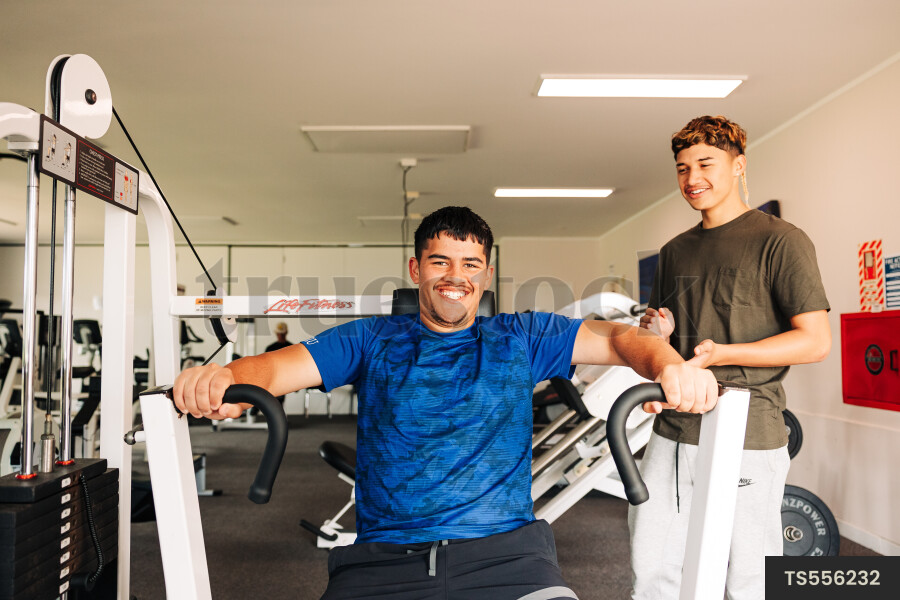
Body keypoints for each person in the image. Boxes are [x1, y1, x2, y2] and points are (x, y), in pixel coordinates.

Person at [175, 206, 719, 600]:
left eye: (470, 264)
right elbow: (276, 368)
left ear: (485, 274)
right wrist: (226, 381)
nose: (455, 277)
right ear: (417, 271)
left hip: (509, 558)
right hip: (383, 563)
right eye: (440, 262)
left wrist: (668, 365)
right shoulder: (370, 339)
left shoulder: (522, 337)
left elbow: (621, 337)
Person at [631, 115, 831, 600]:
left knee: (749, 576)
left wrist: (723, 353)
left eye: (706, 164)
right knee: (652, 565)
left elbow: (815, 341)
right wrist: (659, 336)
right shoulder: (674, 251)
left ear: (739, 165)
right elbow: (665, 343)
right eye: (683, 168)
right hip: (675, 424)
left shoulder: (780, 241)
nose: (692, 178)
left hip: (748, 427)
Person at [264, 322, 292, 405]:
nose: (281, 336)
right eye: (280, 334)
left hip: (285, 379)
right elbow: (265, 366)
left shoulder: (291, 348)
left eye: (282, 334)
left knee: (277, 402)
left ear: (286, 333)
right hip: (272, 379)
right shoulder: (270, 348)